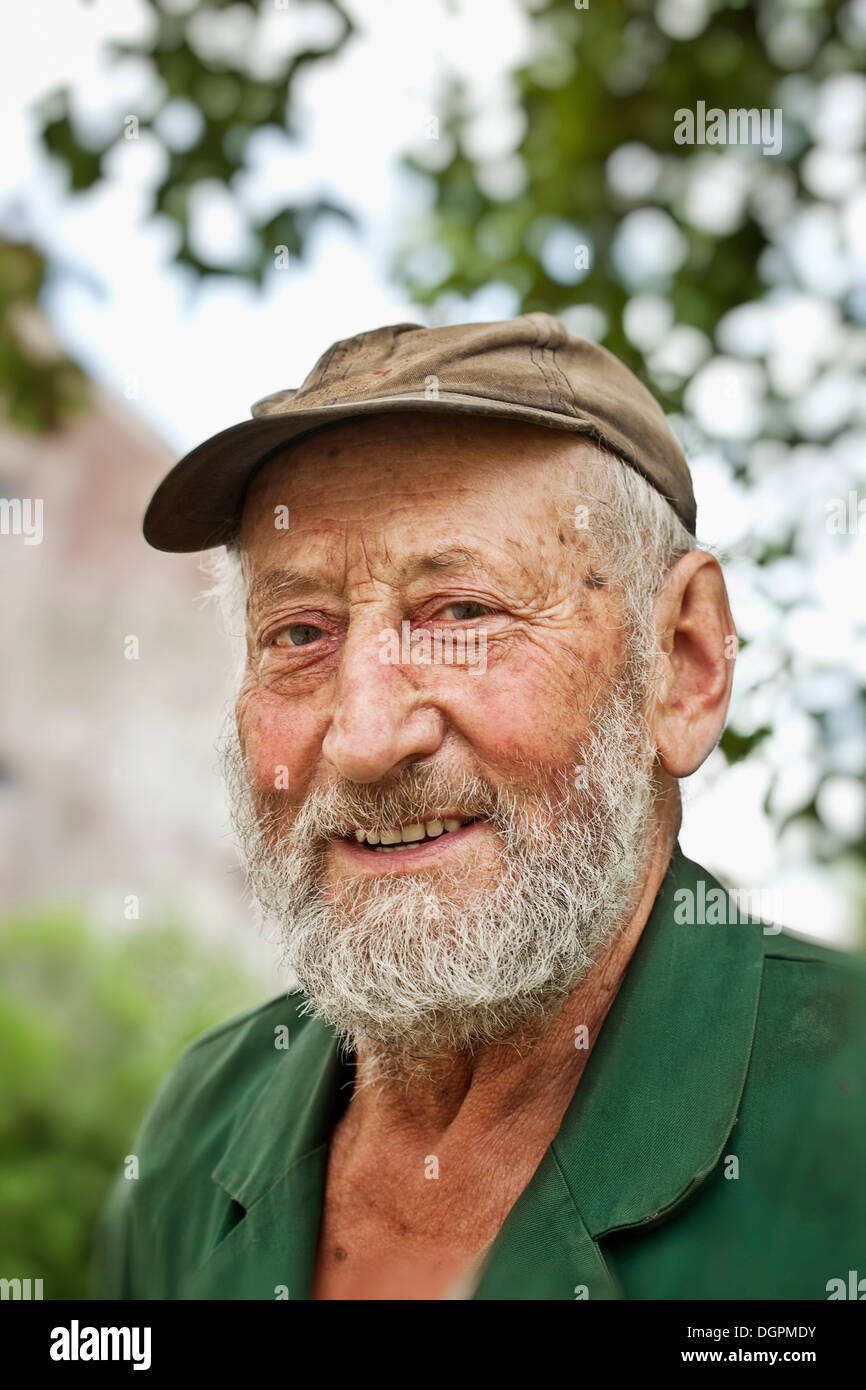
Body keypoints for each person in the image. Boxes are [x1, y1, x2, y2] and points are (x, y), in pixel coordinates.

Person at [95, 313, 866, 1300]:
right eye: (298, 633)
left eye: (461, 614)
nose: (365, 738)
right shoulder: (198, 1124)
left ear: (680, 666)